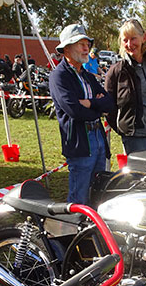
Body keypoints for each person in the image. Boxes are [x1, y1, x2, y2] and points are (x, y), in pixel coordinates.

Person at [49, 23, 114, 204]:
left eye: (87, 44)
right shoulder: (59, 77)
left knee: (97, 193)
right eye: (81, 44)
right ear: (67, 49)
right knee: (79, 198)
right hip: (80, 143)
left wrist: (91, 103)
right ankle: (75, 231)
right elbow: (75, 111)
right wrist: (98, 107)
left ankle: (91, 232)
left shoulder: (86, 75)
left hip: (98, 139)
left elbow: (109, 103)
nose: (86, 48)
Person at [105, 18, 146, 154]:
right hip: (134, 138)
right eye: (125, 40)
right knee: (139, 175)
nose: (129, 44)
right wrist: (124, 130)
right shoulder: (116, 71)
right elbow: (108, 107)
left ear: (143, 37)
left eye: (133, 38)